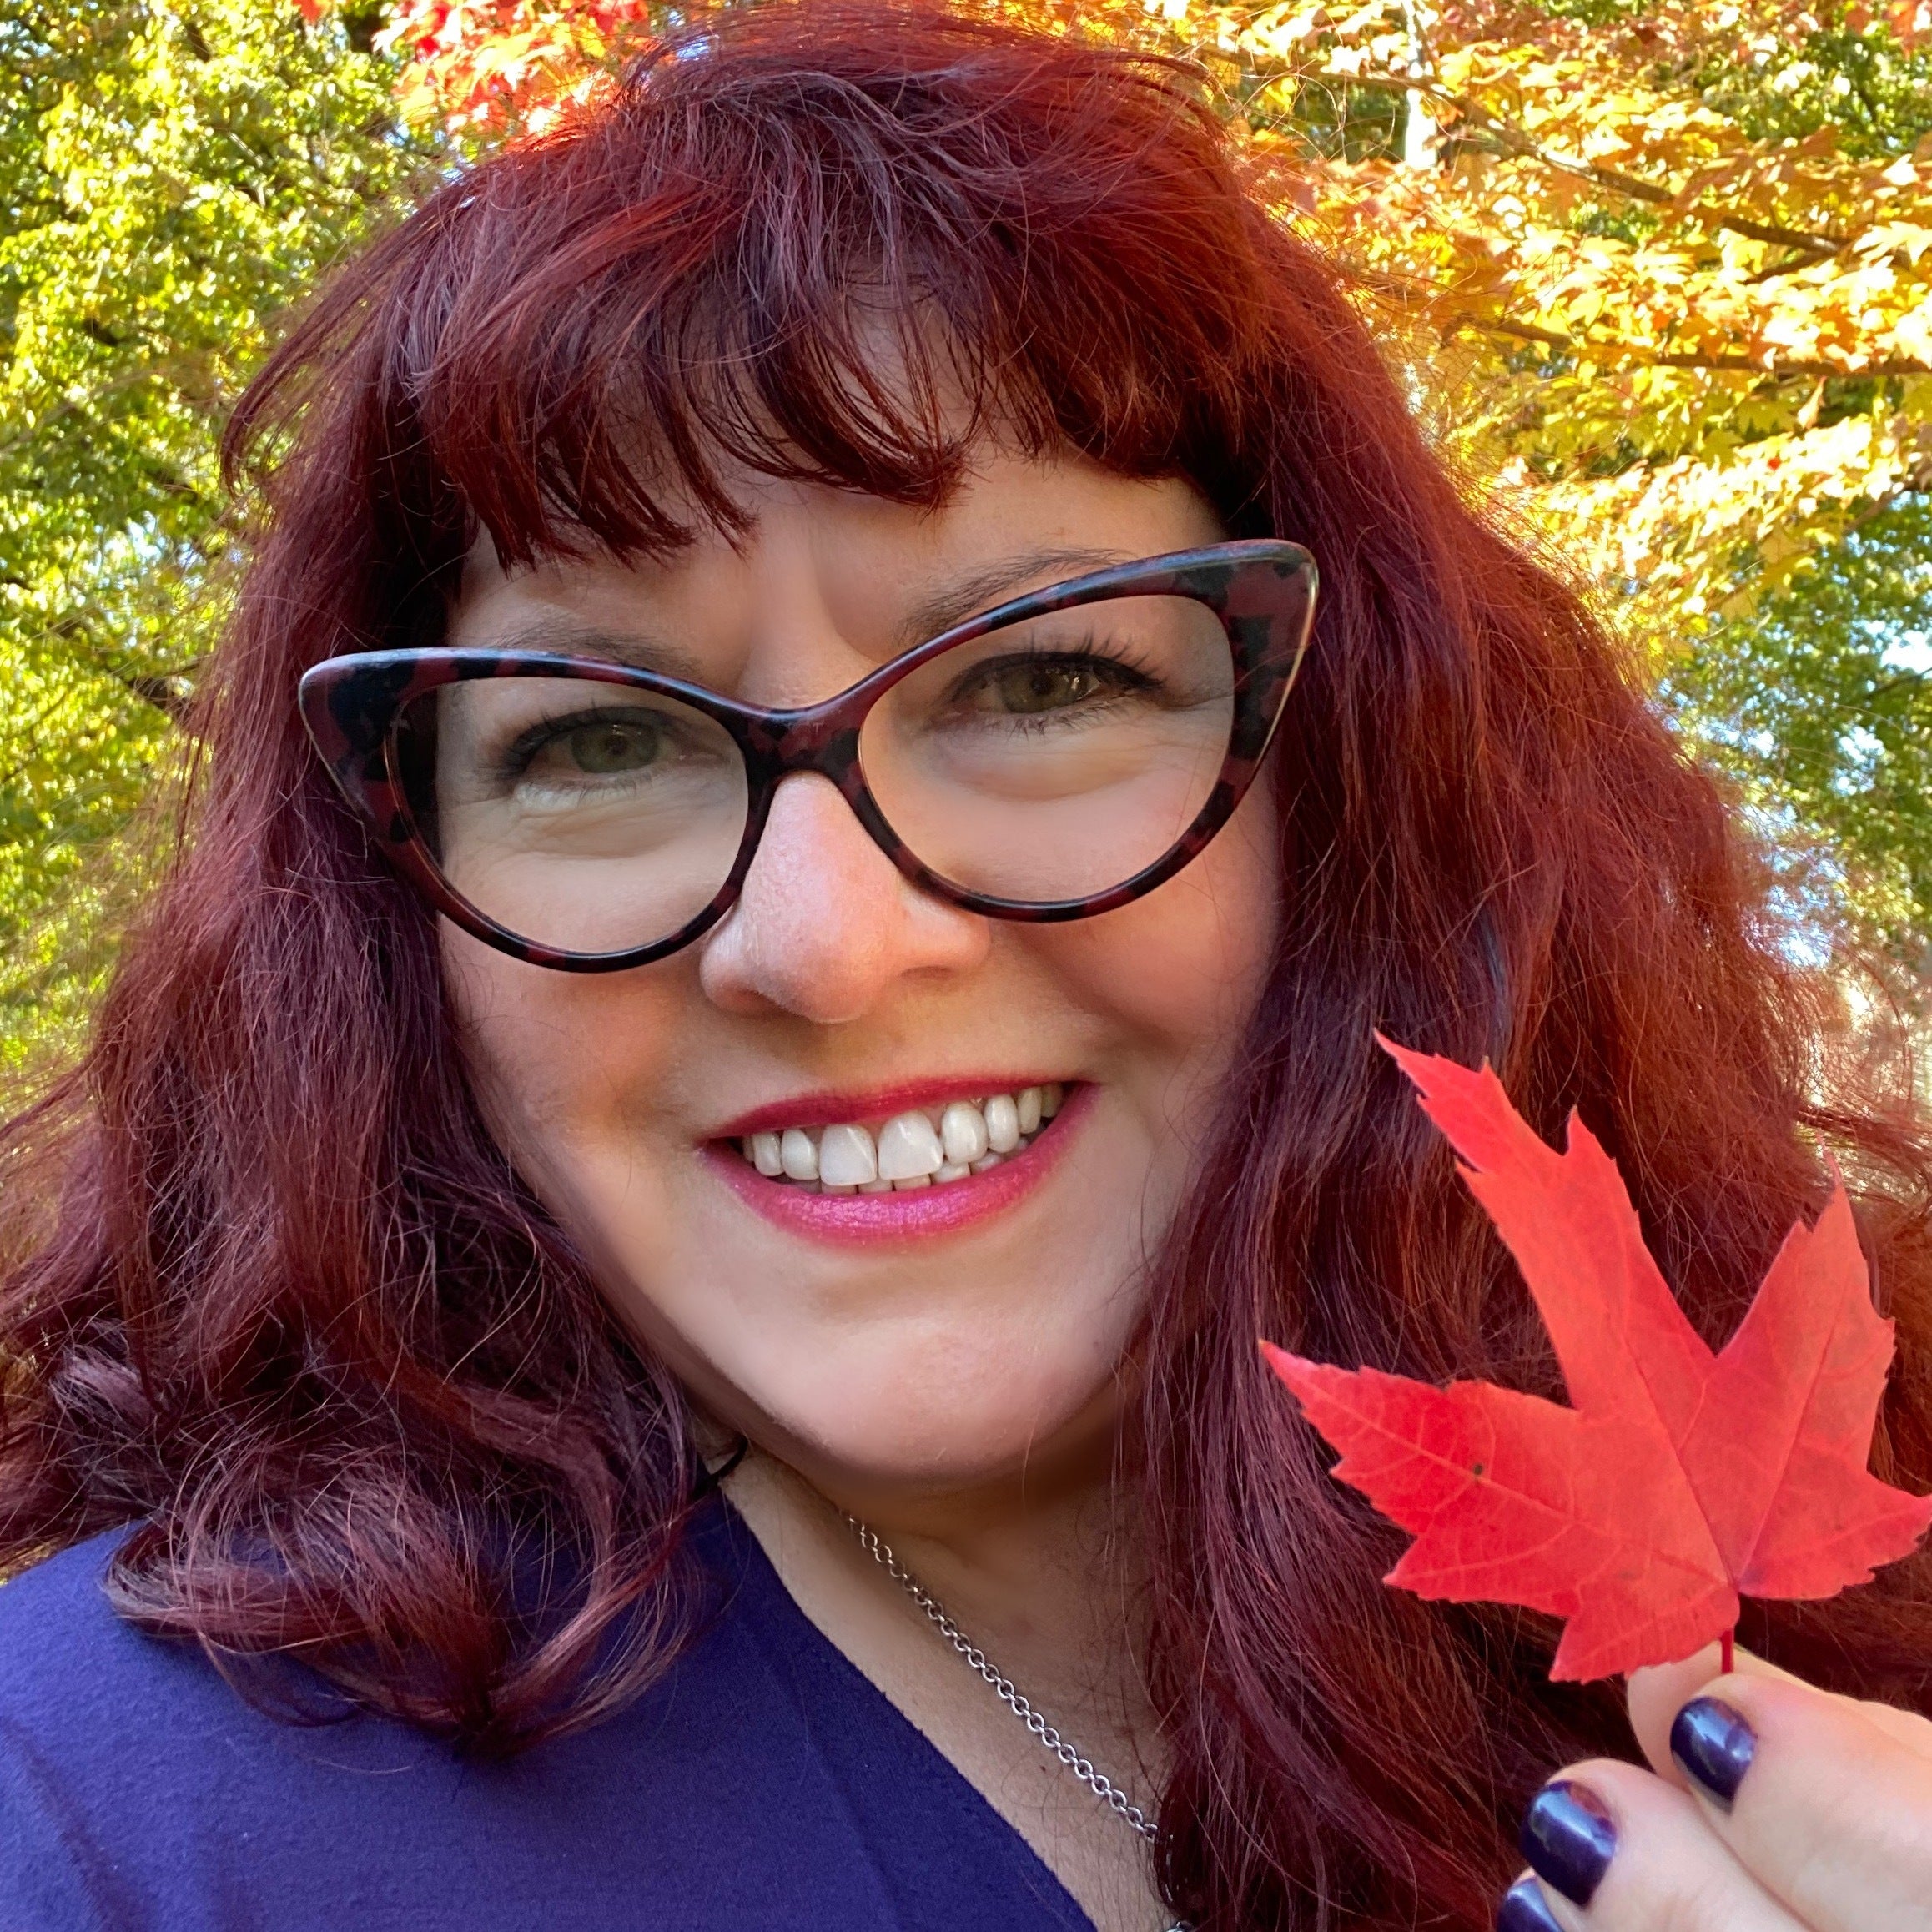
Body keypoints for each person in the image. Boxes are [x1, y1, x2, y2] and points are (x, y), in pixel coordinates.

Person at [2, 6, 1929, 1929]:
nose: (828, 950)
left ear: (1349, 776)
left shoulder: (1819, 1635)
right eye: (593, 741)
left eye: (1038, 681)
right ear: (387, 906)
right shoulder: (112, 1835)